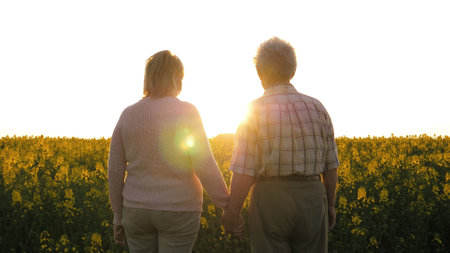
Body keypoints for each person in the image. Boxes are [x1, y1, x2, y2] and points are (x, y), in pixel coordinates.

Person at [221, 37, 339, 253]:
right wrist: (330, 205)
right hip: (312, 196)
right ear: (292, 70)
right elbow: (331, 167)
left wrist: (232, 212)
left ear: (260, 72)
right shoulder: (317, 108)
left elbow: (244, 171)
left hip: (270, 198)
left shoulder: (253, 111)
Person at [108, 50, 229, 252]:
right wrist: (226, 204)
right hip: (179, 208)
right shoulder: (187, 111)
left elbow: (115, 171)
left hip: (136, 210)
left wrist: (118, 217)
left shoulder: (127, 114)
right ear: (175, 78)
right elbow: (204, 163)